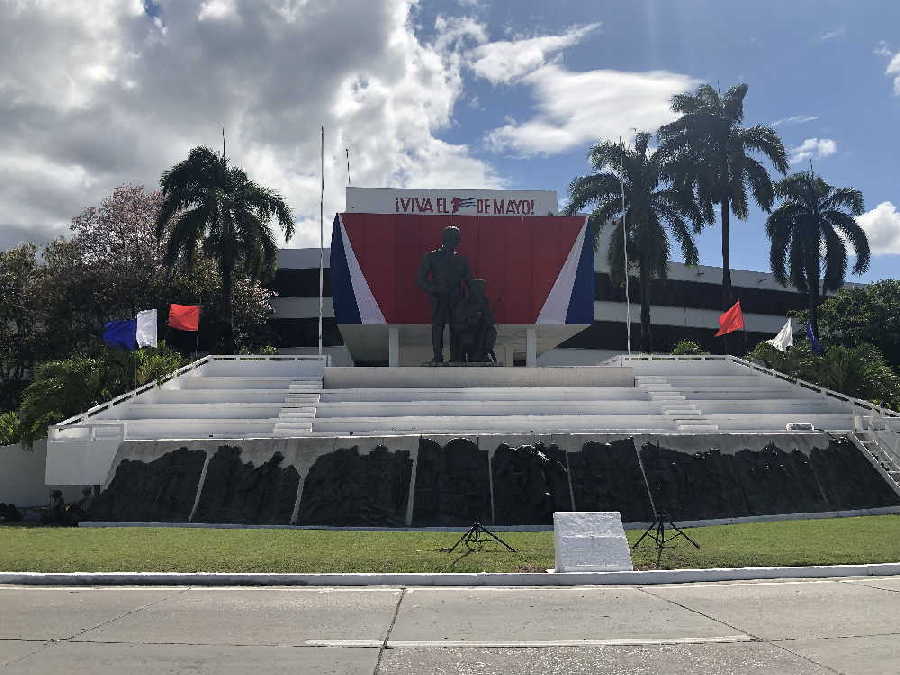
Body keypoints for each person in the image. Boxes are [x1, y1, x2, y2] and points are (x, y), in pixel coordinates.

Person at [417, 225, 472, 362]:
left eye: (458, 239)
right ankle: (437, 356)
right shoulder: (431, 257)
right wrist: (434, 289)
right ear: (447, 239)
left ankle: (456, 357)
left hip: (456, 298)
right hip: (439, 297)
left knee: (456, 327)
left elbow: (469, 281)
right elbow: (421, 279)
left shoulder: (461, 260)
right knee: (438, 326)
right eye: (455, 239)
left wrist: (472, 298)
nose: (458, 242)